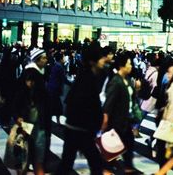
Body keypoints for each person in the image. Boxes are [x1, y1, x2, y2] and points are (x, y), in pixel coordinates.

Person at [56, 43, 106, 175]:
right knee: (96, 164)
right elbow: (85, 104)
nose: (104, 60)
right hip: (80, 129)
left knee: (67, 163)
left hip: (75, 127)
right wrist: (95, 122)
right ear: (92, 61)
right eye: (101, 57)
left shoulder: (86, 75)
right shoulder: (87, 78)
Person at [102, 53, 142, 174]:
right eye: (129, 64)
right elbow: (108, 104)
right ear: (122, 66)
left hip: (126, 120)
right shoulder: (116, 81)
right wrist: (105, 121)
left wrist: (137, 89)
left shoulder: (128, 80)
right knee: (113, 149)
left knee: (128, 146)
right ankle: (107, 169)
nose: (131, 66)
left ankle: (127, 168)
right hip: (116, 122)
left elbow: (131, 99)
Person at [14, 48, 49, 175]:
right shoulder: (33, 73)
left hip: (31, 115)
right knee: (33, 144)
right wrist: (18, 114)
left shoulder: (36, 72)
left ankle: (26, 167)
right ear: (37, 60)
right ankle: (33, 168)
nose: (46, 60)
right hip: (31, 115)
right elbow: (22, 95)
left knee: (26, 144)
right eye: (44, 58)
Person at [46, 52, 66, 125]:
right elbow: (63, 79)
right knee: (57, 106)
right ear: (60, 59)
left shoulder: (54, 65)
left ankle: (55, 121)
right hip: (55, 89)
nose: (64, 59)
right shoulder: (60, 67)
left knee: (53, 105)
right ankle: (56, 122)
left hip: (51, 87)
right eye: (63, 57)